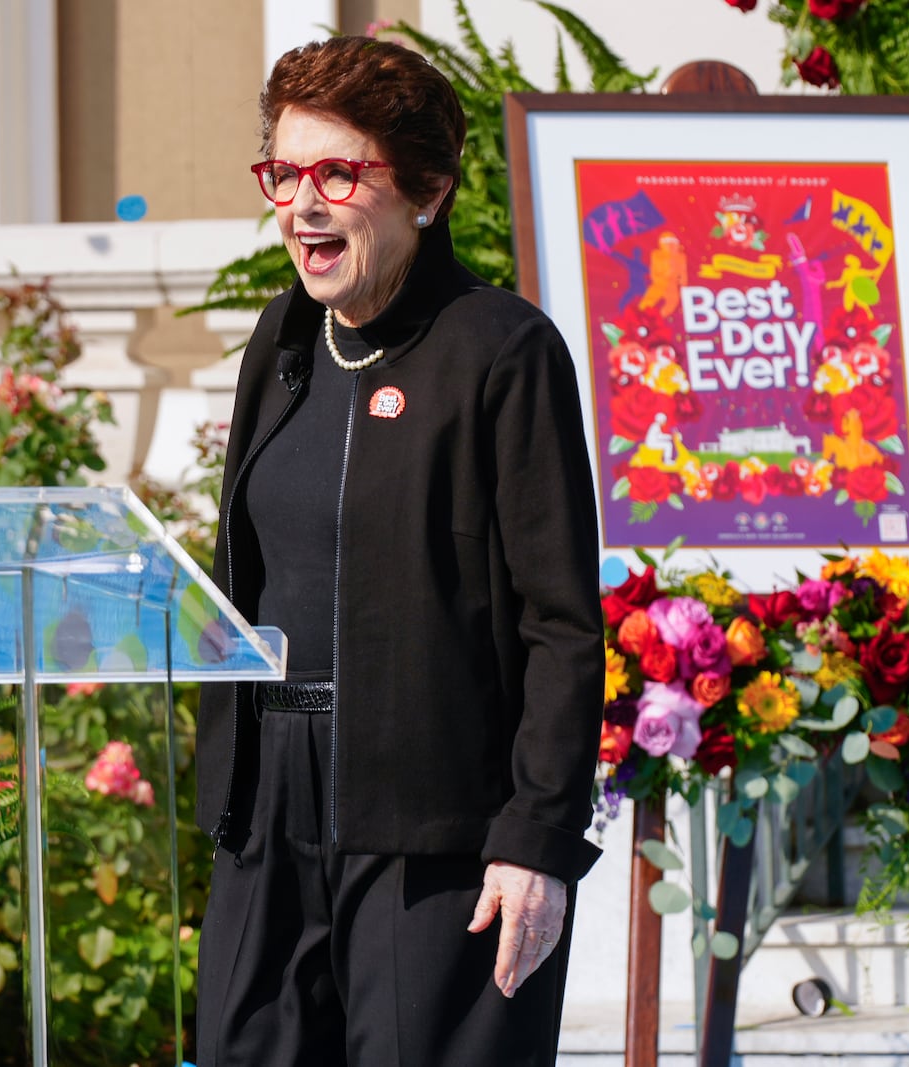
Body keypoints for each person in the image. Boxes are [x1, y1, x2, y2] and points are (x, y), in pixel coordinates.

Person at [194, 35, 605, 1066]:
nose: (302, 202)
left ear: (423, 189)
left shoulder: (499, 351)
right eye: (285, 173)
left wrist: (535, 840)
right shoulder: (281, 340)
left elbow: (557, 622)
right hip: (270, 811)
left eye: (339, 171)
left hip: (435, 828)